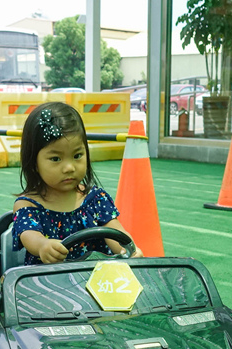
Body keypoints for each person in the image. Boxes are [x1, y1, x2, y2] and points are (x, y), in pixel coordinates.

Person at [12, 102, 142, 265]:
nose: (69, 167)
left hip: (98, 283)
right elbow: (30, 236)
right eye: (55, 159)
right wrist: (43, 246)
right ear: (34, 162)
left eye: (77, 155)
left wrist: (128, 250)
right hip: (47, 283)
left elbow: (115, 232)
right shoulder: (29, 205)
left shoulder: (95, 199)